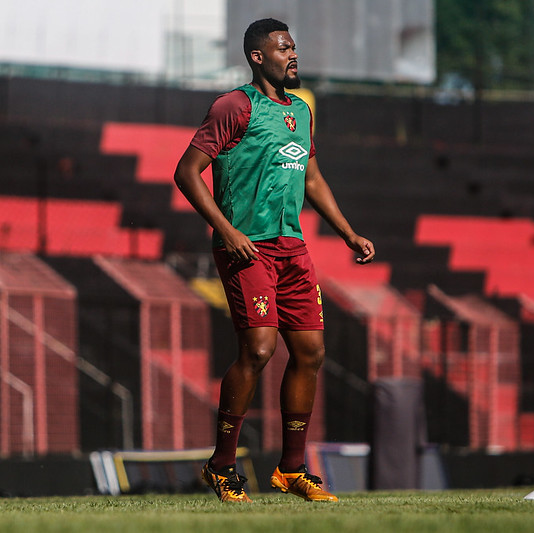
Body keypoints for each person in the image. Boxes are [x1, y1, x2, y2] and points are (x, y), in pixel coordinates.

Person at [173, 18, 375, 503]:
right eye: (284, 48)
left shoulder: (302, 113)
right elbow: (186, 172)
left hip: (292, 247)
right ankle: (222, 466)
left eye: (294, 47)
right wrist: (226, 229)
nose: (293, 55)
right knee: (259, 350)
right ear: (258, 56)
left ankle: (291, 469)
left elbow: (311, 178)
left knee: (310, 353)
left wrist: (347, 233)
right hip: (247, 247)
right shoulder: (234, 106)